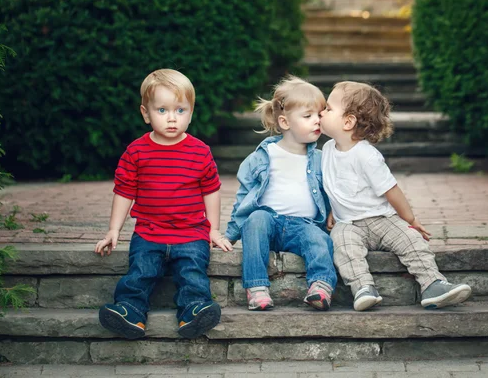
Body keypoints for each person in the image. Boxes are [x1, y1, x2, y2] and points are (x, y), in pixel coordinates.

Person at [94, 69, 232, 339]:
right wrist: (114, 230)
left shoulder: (200, 151)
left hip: (191, 233)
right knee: (141, 272)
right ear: (145, 113)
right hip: (149, 233)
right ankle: (129, 312)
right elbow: (124, 191)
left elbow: (211, 192)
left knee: (192, 272)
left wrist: (213, 230)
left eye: (180, 110)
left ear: (191, 112)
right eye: (162, 110)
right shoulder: (136, 151)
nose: (172, 118)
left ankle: (194, 311)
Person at [319, 81, 471, 311]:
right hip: (348, 224)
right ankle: (362, 288)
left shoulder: (367, 156)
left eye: (328, 108)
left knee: (411, 241)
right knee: (342, 246)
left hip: (382, 219)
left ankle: (433, 284)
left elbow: (392, 191)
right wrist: (332, 209)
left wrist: (409, 220)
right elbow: (335, 185)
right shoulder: (327, 151)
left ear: (348, 121)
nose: (322, 112)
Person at [225, 76, 337, 311]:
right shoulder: (262, 157)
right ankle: (257, 288)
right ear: (285, 122)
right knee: (254, 220)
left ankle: (321, 285)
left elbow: (334, 190)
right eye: (307, 116)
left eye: (319, 114)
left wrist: (335, 213)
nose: (317, 121)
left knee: (320, 240)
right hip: (269, 221)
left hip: (303, 225)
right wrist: (230, 234)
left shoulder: (322, 159)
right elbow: (244, 197)